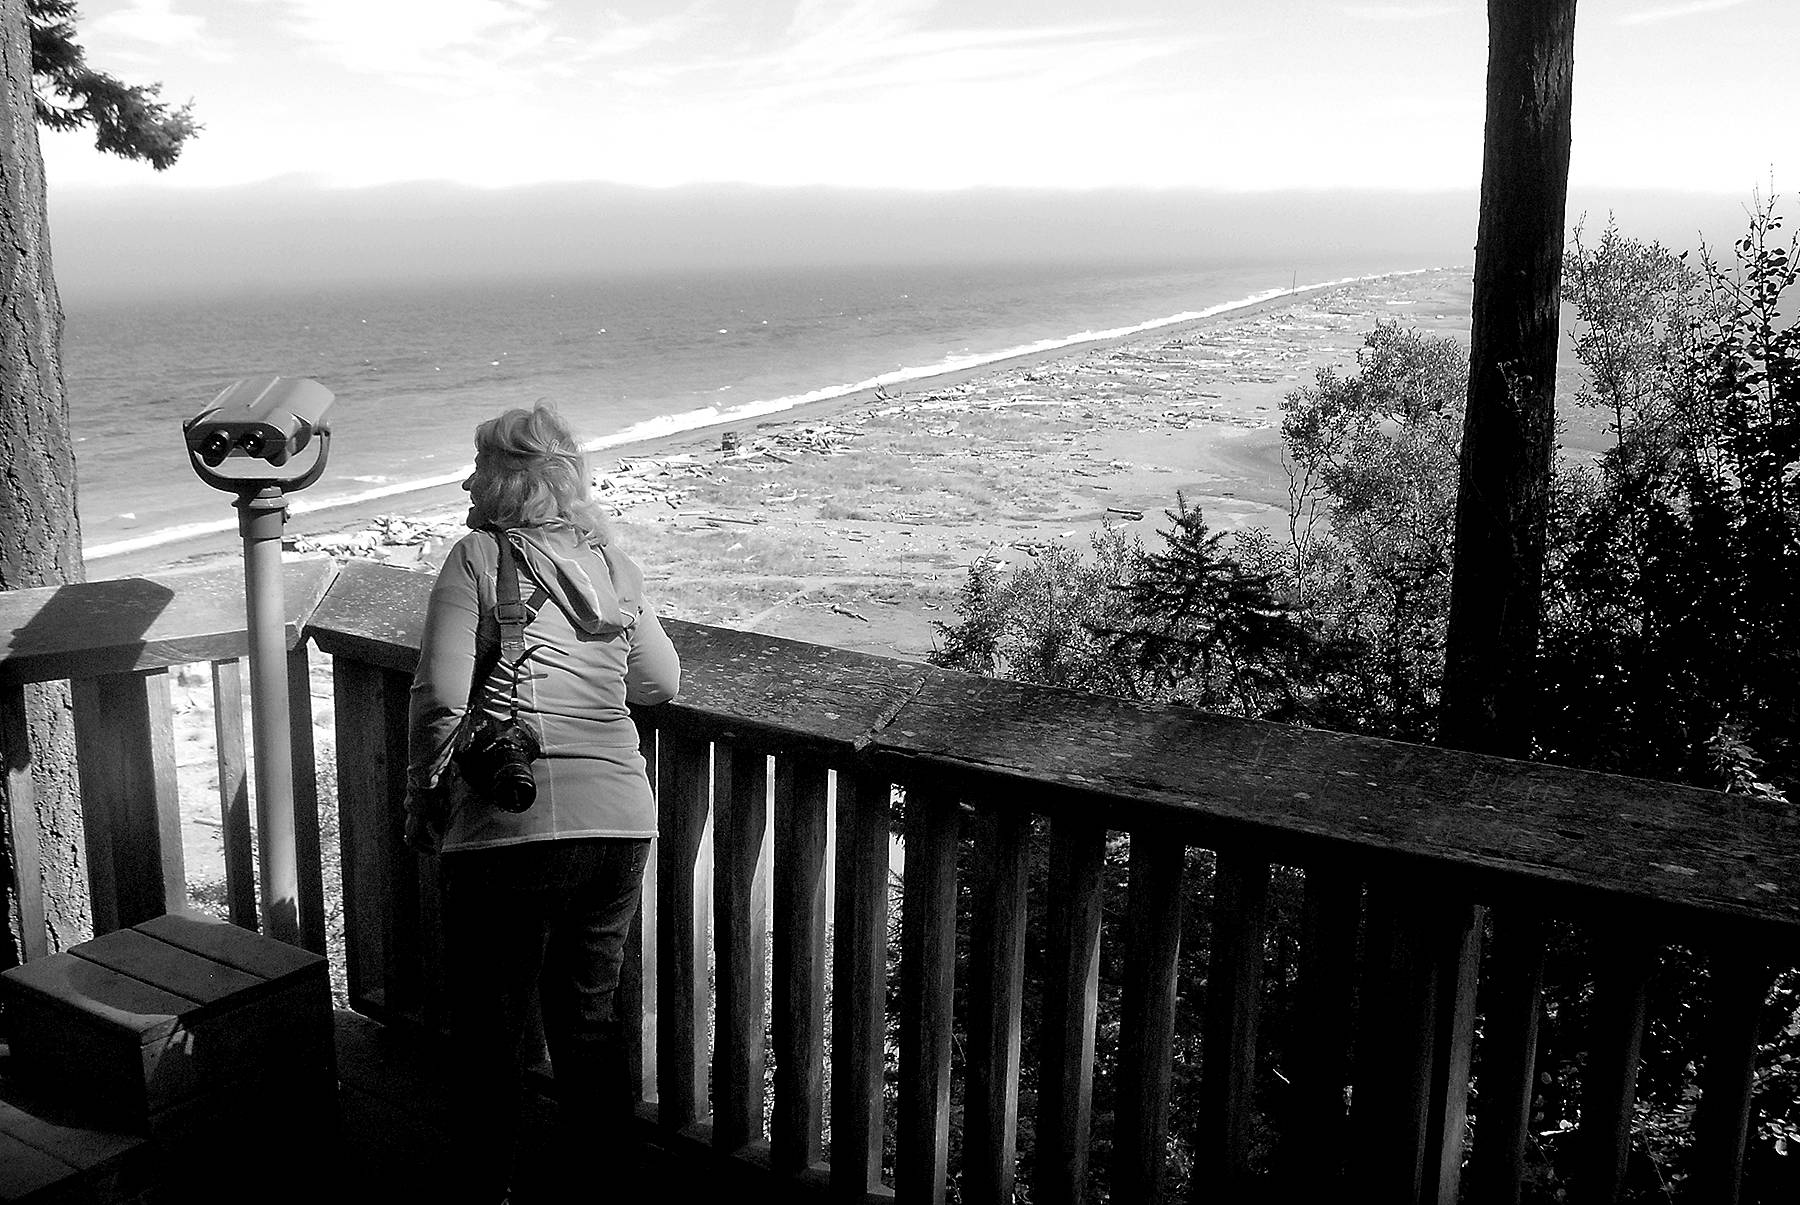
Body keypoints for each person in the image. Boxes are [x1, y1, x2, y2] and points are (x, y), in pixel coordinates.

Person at [405, 404, 680, 1203]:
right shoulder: (612, 566)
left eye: (477, 466)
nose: (465, 480)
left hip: (508, 830)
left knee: (492, 1036)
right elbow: (660, 683)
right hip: (620, 822)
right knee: (587, 1026)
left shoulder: (476, 558)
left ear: (500, 480)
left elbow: (438, 700)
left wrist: (423, 799)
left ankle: (490, 1188)